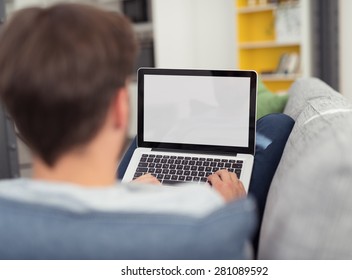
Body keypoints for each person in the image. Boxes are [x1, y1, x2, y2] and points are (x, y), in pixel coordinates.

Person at [0, 3, 293, 255]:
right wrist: (229, 209)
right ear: (119, 109)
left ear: (16, 116)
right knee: (277, 125)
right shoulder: (209, 223)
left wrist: (123, 194)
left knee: (152, 140)